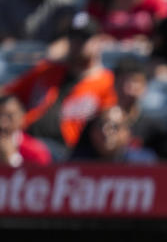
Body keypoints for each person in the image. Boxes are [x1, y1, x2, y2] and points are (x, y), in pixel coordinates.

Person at [2, 11, 116, 155]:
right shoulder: (47, 70)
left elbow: (110, 121)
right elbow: (8, 94)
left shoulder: (106, 81)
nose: (77, 43)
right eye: (73, 38)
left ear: (98, 41)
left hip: (69, 152)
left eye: (84, 38)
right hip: (27, 140)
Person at [69, 105, 155, 162]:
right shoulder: (77, 164)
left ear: (127, 133)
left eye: (115, 126)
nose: (106, 131)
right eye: (101, 125)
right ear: (92, 132)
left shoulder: (144, 163)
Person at [0, 94, 50, 166]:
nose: (2, 123)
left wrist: (11, 158)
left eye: (9, 116)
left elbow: (42, 173)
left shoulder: (35, 151)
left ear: (21, 116)